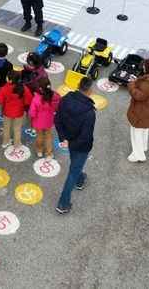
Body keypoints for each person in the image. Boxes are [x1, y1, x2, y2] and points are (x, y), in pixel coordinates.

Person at [55, 77, 97, 215]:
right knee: (73, 172)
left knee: (75, 165)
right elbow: (85, 136)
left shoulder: (66, 98)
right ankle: (63, 203)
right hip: (80, 146)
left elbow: (57, 119)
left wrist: (63, 138)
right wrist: (71, 143)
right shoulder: (89, 112)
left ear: (78, 86)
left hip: (68, 138)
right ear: (90, 91)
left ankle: (80, 179)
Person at [0, 71, 32, 149]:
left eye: (7, 77)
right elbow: (28, 101)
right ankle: (17, 144)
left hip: (7, 112)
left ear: (10, 80)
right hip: (19, 113)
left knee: (6, 128)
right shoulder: (23, 88)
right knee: (17, 129)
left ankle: (5, 142)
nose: (6, 78)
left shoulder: (5, 88)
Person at [29, 77, 61, 159]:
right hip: (49, 121)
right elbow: (58, 106)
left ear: (40, 88)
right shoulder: (55, 96)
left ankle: (39, 151)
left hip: (38, 122)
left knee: (39, 136)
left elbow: (32, 113)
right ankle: (49, 153)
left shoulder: (36, 99)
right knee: (48, 137)